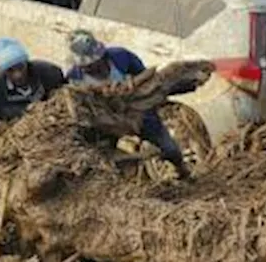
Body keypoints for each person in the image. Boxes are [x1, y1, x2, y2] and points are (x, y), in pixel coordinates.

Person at [64, 29, 192, 179]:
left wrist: (130, 85)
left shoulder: (120, 57)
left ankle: (182, 170)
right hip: (107, 121)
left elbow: (145, 77)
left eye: (93, 64)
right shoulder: (74, 77)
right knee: (107, 160)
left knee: (169, 148)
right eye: (85, 66)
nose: (89, 68)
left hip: (138, 111)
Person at [0, 37, 66, 124]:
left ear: (27, 63)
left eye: (21, 67)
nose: (18, 75)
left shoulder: (49, 73)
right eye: (10, 70)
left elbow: (65, 93)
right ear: (3, 71)